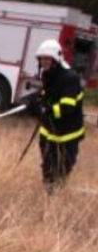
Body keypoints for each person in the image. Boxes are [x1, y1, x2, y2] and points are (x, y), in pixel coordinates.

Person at [25, 39, 85, 193]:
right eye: (41, 59)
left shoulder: (70, 78)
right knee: (47, 169)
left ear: (56, 58)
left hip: (67, 135)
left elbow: (66, 108)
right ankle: (49, 194)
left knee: (61, 171)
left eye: (46, 58)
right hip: (48, 133)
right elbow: (48, 94)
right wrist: (34, 101)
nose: (43, 62)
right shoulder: (48, 74)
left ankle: (55, 198)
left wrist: (44, 110)